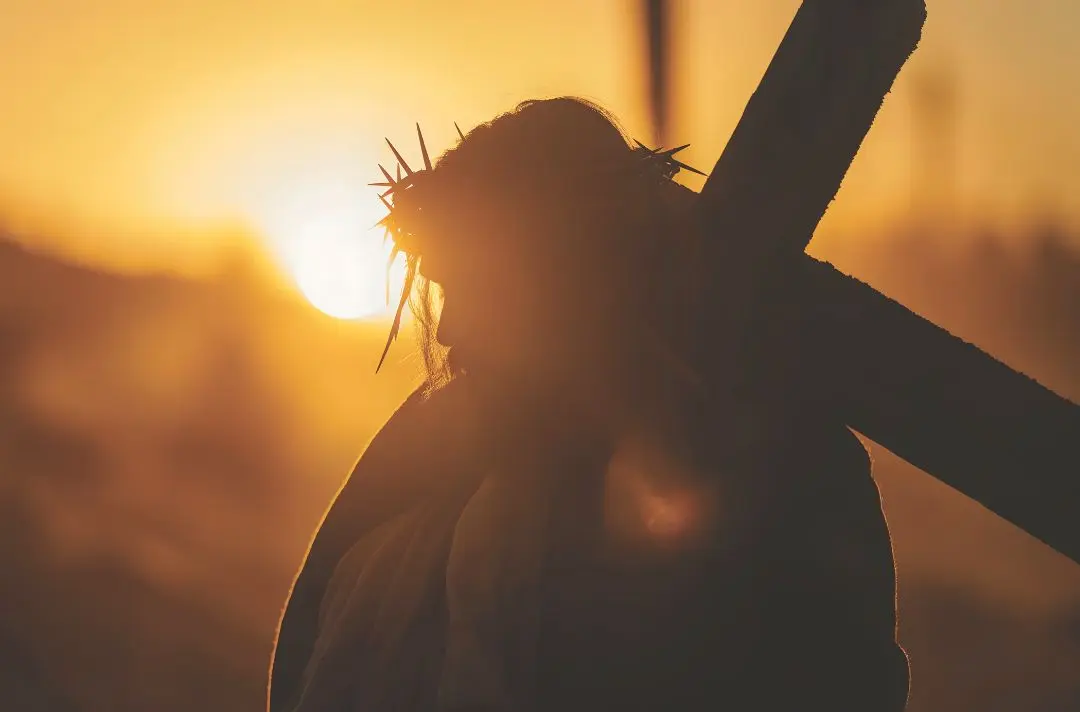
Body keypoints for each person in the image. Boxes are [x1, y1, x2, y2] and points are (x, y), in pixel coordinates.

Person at [268, 96, 911, 712]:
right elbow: (309, 652)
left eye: (481, 287)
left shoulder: (776, 469)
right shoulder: (429, 448)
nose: (447, 329)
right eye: (446, 289)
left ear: (570, 287)